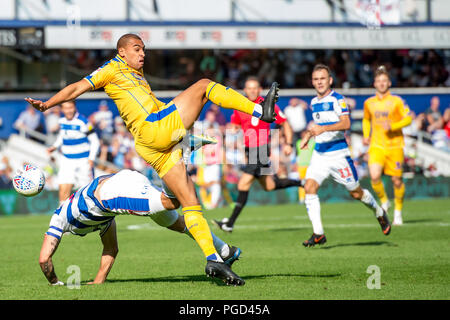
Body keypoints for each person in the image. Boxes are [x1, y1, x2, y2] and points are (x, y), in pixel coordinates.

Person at [25, 33, 279, 285]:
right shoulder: (111, 68)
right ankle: (260, 110)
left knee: (186, 202)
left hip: (152, 146)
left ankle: (214, 258)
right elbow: (77, 87)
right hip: (153, 129)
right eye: (137, 49)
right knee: (203, 86)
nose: (142, 54)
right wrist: (48, 104)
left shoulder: (137, 76)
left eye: (144, 49)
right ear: (122, 52)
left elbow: (147, 102)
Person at [39, 169, 242, 286]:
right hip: (120, 180)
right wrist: (98, 281)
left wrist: (55, 283)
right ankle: (226, 250)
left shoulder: (59, 219)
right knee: (177, 223)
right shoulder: (101, 219)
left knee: (170, 202)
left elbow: (43, 259)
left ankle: (177, 155)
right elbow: (111, 249)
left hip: (113, 193)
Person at [299, 64, 390, 247]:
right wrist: (309, 135)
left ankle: (378, 211)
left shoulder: (338, 99)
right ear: (312, 82)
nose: (319, 82)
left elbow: (346, 123)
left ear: (330, 80)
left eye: (322, 78)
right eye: (316, 79)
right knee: (309, 187)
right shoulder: (313, 102)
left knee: (356, 193)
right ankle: (319, 233)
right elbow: (318, 125)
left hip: (339, 155)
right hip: (320, 154)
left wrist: (323, 128)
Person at [212, 77, 302, 233]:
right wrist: (230, 129)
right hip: (249, 151)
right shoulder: (240, 106)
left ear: (259, 89)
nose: (252, 91)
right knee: (269, 186)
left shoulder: (267, 105)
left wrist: (289, 143)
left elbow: (285, 123)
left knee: (242, 184)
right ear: (245, 90)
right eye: (249, 88)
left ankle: (229, 223)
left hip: (260, 149)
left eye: (255, 88)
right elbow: (235, 125)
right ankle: (300, 182)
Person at [363, 66, 412, 226]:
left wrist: (393, 126)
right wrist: (365, 135)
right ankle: (384, 201)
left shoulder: (397, 101)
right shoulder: (369, 103)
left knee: (397, 181)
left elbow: (408, 118)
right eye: (378, 81)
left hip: (395, 145)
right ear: (374, 84)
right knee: (374, 176)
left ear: (389, 83)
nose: (381, 83)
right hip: (377, 145)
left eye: (384, 81)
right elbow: (366, 120)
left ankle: (398, 212)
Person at [47, 101, 100, 205]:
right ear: (62, 110)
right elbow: (62, 137)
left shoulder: (83, 122)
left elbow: (95, 141)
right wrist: (54, 146)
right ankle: (63, 216)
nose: (68, 111)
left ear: (74, 107)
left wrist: (91, 159)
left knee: (86, 193)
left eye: (70, 107)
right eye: (66, 108)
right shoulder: (62, 121)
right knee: (63, 188)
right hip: (67, 160)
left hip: (83, 161)